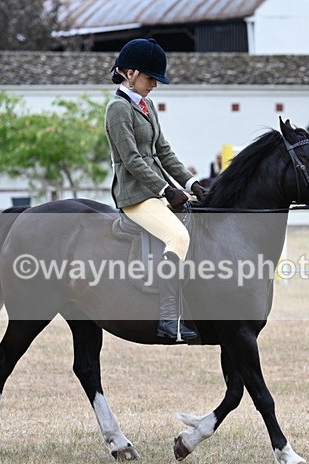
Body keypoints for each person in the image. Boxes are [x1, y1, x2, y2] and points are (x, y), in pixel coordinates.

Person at [105, 38, 208, 341]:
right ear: (130, 73)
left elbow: (163, 150)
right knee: (177, 235)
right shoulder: (117, 109)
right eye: (151, 78)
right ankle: (168, 319)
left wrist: (191, 184)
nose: (155, 85)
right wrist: (166, 190)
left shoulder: (147, 105)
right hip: (135, 196)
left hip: (155, 190)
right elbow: (132, 159)